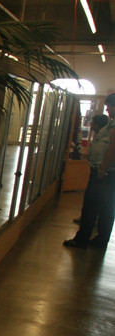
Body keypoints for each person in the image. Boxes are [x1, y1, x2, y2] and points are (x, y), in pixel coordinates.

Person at [64, 93, 115, 249]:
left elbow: (112, 149)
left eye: (109, 106)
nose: (107, 109)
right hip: (107, 172)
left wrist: (102, 168)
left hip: (104, 173)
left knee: (91, 207)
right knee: (105, 208)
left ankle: (83, 239)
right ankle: (99, 240)